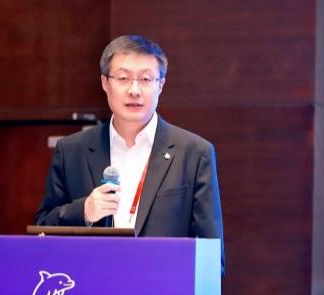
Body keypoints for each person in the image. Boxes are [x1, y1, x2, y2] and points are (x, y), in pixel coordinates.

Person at [35, 34, 225, 273]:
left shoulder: (194, 153)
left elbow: (211, 258)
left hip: (161, 290)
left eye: (145, 79)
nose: (134, 90)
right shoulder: (72, 150)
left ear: (160, 85)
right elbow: (42, 228)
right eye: (123, 78)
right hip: (91, 287)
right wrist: (84, 211)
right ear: (105, 83)